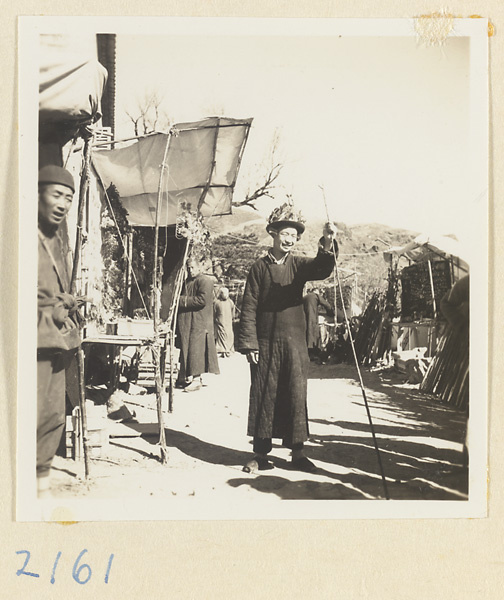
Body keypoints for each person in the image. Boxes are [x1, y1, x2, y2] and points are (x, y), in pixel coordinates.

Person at [237, 200, 338, 473]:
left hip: (294, 341)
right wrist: (249, 343)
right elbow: (249, 306)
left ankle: (298, 454)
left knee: (295, 393)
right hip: (266, 340)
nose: (290, 239)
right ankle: (260, 455)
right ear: (273, 234)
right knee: (264, 393)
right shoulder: (259, 268)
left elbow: (321, 267)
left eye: (294, 235)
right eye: (286, 234)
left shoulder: (298, 265)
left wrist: (327, 242)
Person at [37, 165, 81, 496]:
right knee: (31, 416)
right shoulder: (22, 238)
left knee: (53, 415)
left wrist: (67, 303)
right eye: (56, 195)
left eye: (68, 197)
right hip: (33, 342)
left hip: (57, 343)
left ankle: (39, 486)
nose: (63, 204)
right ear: (36, 194)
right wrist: (54, 307)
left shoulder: (55, 243)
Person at [175, 252, 220, 392]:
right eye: (188, 268)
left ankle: (196, 379)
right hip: (188, 321)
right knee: (185, 348)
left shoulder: (205, 281)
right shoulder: (188, 281)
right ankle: (184, 377)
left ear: (200, 266)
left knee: (196, 350)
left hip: (199, 322)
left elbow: (202, 300)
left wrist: (181, 300)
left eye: (193, 267)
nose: (190, 270)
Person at [214, 287, 236, 358]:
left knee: (227, 334)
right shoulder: (218, 302)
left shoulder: (229, 302)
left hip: (226, 321)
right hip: (222, 321)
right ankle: (224, 350)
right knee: (222, 333)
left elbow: (233, 312)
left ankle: (225, 350)